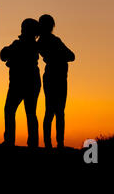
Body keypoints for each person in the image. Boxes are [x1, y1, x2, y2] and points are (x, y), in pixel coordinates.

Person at [0, 18, 41, 147]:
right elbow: (5, 56)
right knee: (30, 113)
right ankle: (32, 142)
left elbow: (3, 55)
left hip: (19, 84)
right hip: (32, 82)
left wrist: (11, 60)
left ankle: (9, 141)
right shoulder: (33, 45)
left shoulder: (18, 44)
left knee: (10, 110)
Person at [38, 14, 75, 149]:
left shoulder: (53, 40)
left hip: (59, 78)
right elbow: (69, 55)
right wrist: (60, 55)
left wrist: (58, 55)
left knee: (58, 111)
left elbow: (72, 56)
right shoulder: (44, 41)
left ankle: (58, 143)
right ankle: (51, 143)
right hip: (53, 78)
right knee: (53, 111)